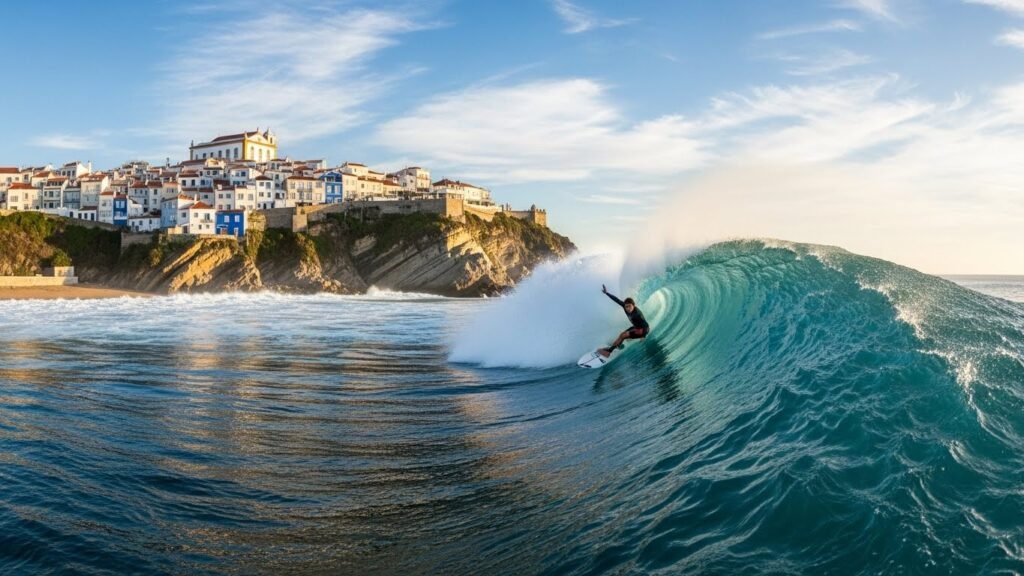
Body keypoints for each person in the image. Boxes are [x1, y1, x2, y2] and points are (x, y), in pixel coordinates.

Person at [600, 284, 649, 357]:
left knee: (623, 335)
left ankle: (608, 352)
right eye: (626, 307)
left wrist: (643, 336)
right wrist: (606, 293)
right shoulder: (625, 306)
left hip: (643, 330)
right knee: (622, 335)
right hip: (636, 327)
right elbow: (616, 300)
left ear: (634, 305)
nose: (628, 308)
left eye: (630, 306)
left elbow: (645, 325)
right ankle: (617, 346)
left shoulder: (637, 314)